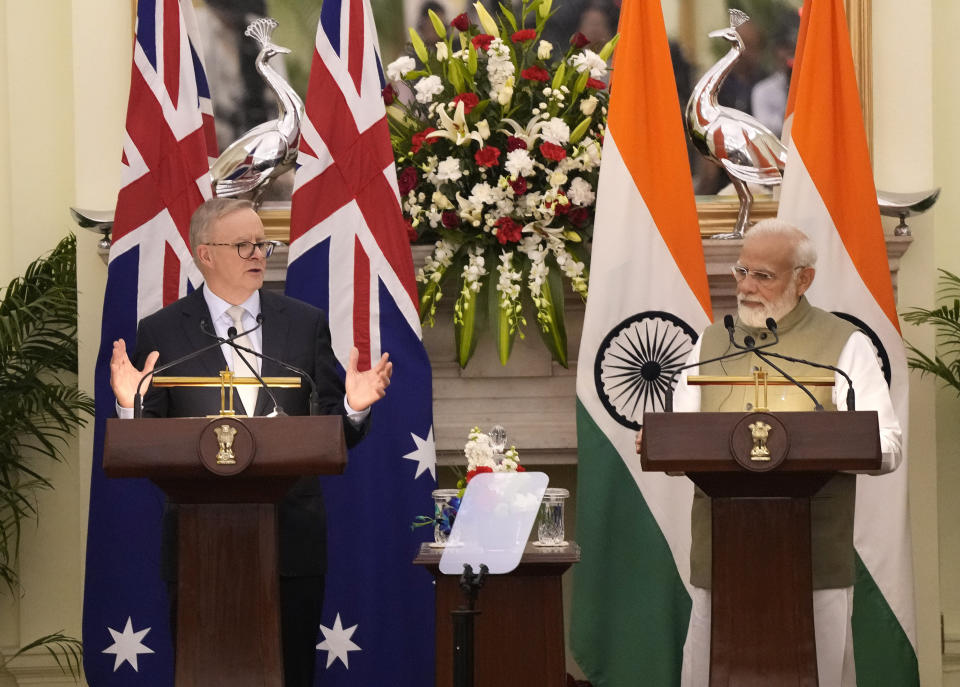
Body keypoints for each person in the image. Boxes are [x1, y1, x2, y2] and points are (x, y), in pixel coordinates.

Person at [109, 197, 393, 687]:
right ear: (205, 254)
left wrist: (353, 407)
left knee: (292, 673)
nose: (259, 253)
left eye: (263, 243)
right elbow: (146, 442)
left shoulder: (304, 324)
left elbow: (330, 434)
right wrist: (130, 405)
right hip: (199, 549)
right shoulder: (162, 332)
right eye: (243, 245)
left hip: (291, 543)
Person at [636, 219, 902, 687]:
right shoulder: (710, 342)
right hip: (723, 559)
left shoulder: (844, 344)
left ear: (804, 279)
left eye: (764, 276)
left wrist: (817, 444)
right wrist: (659, 444)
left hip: (813, 562)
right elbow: (680, 442)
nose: (746, 286)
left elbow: (888, 446)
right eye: (742, 272)